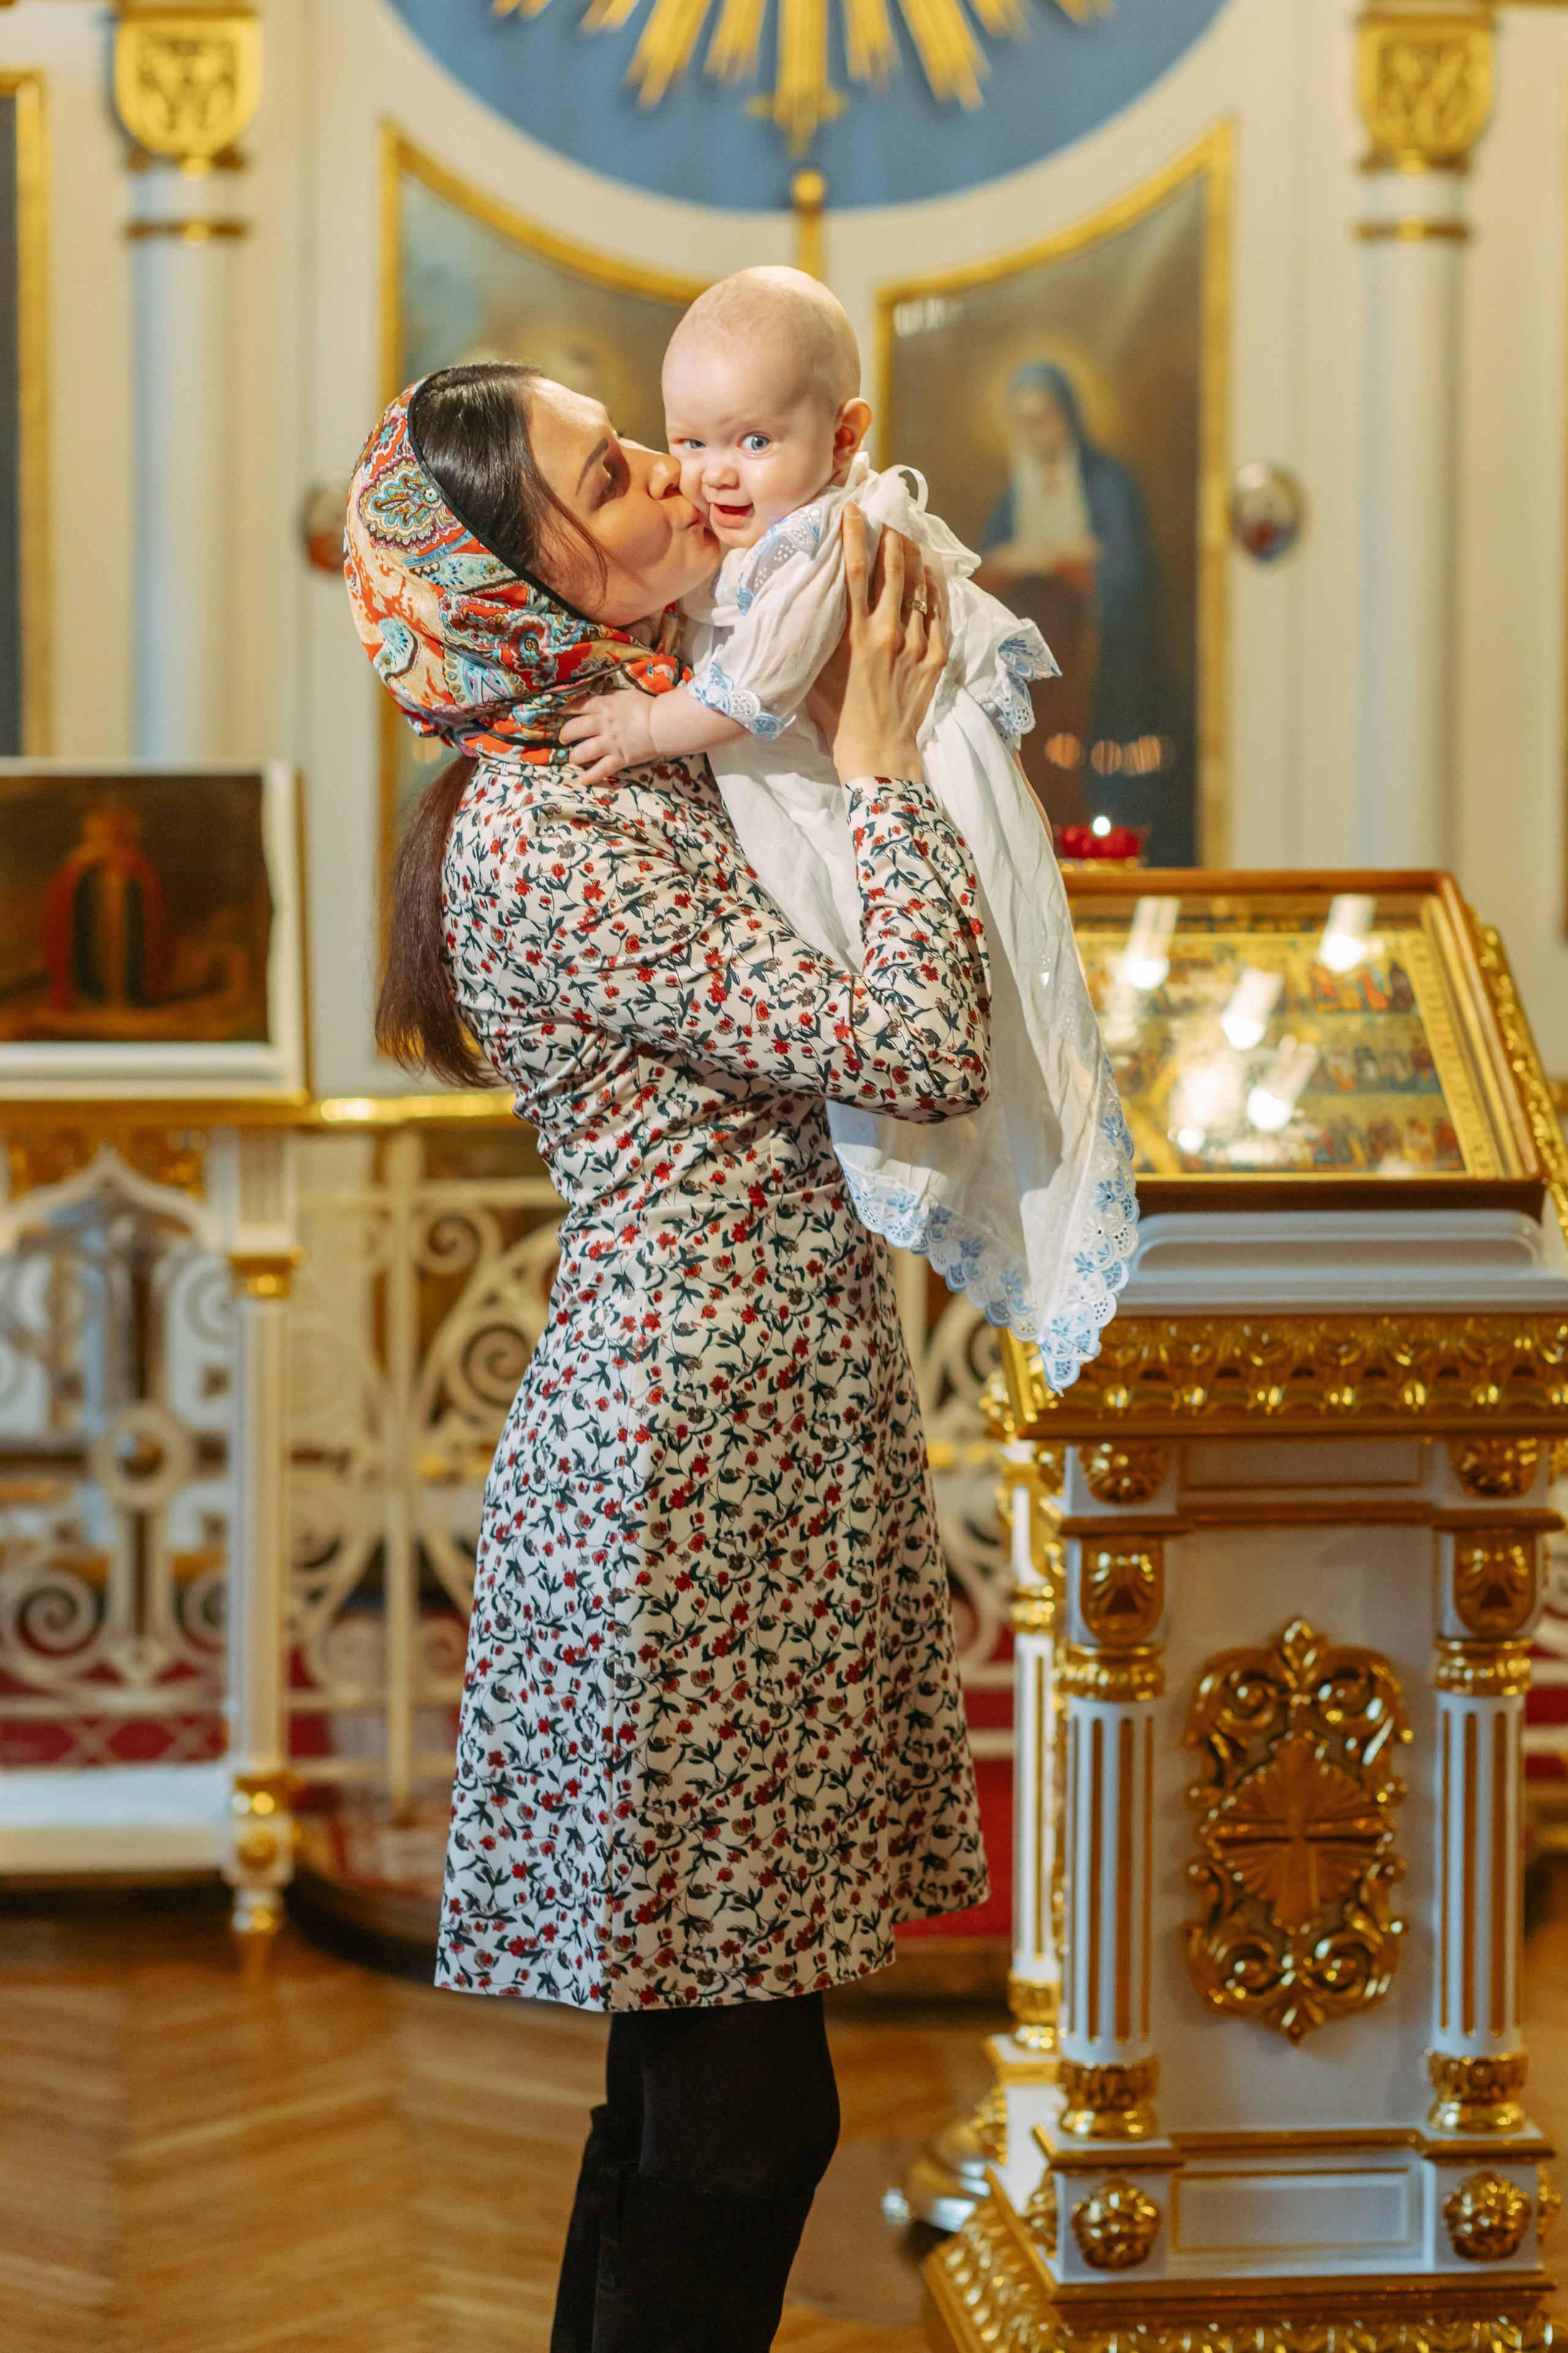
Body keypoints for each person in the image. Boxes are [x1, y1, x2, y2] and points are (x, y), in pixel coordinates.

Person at [345, 361, 992, 2352]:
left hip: (740, 1437)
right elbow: (916, 1046)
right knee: (737, 2116)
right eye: (610, 472)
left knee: (684, 2098)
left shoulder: (632, 754)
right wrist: (880, 764)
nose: (666, 480)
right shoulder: (554, 825)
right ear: (516, 575)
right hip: (682, 1471)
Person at [562, 268, 1136, 1389]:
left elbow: (758, 691)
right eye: (688, 440)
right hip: (846, 776)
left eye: (753, 441)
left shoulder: (827, 541)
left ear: (846, 432)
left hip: (902, 776)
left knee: (918, 995)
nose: (713, 473)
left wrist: (639, 726)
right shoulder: (773, 529)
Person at [977, 360, 1178, 852]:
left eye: (1045, 415)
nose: (1038, 431)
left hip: (1102, 667)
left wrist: (1075, 568)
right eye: (1025, 420)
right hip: (1041, 678)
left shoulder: (1105, 483)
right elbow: (983, 575)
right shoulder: (1016, 491)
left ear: (1068, 416)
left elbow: (1128, 571)